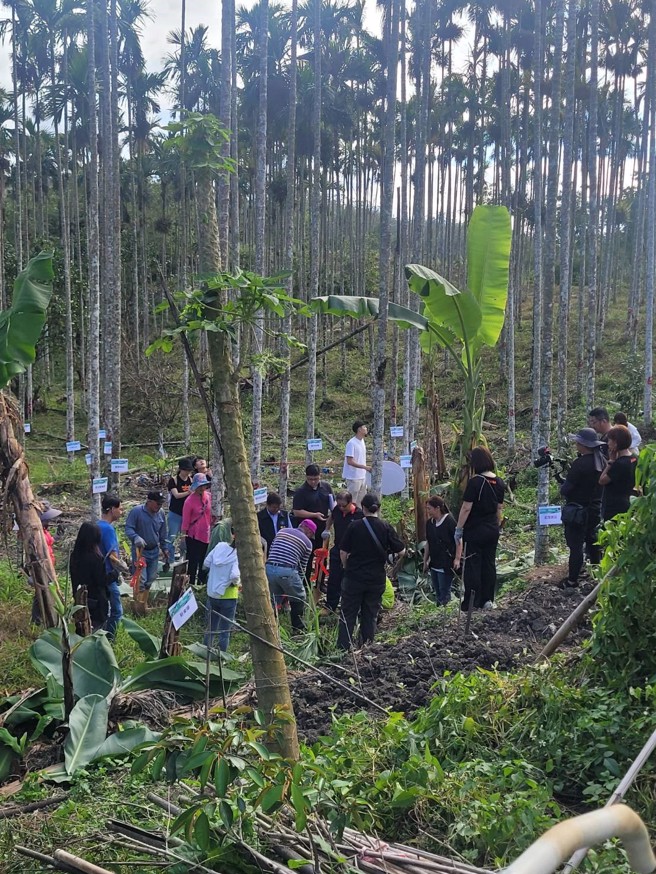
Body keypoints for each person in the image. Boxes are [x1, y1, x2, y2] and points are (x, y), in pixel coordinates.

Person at [337, 494, 405, 650]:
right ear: (378, 508)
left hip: (354, 577)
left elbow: (342, 552)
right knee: (370, 614)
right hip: (376, 578)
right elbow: (402, 551)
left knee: (348, 614)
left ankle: (344, 650)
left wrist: (347, 567)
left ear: (363, 507)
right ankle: (367, 648)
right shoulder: (386, 527)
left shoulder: (354, 526)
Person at [454, 447, 506, 611]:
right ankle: (488, 599)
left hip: (475, 530)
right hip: (492, 529)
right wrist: (497, 527)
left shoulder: (475, 482)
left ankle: (471, 601)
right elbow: (499, 509)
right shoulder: (499, 482)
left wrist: (459, 528)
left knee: (473, 564)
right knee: (489, 564)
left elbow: (466, 508)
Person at [558, 428, 605, 588]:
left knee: (576, 547)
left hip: (578, 512)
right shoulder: (602, 461)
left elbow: (566, 489)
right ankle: (597, 575)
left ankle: (572, 580)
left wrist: (563, 485)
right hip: (595, 509)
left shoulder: (580, 464)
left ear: (583, 445)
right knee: (593, 542)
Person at [265, 519, 317, 632]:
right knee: (299, 597)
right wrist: (297, 585)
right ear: (307, 529)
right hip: (287, 570)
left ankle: (269, 628)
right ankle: (297, 629)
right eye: (311, 534)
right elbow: (302, 568)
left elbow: (272, 550)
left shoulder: (281, 532)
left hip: (269, 567)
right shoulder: (308, 543)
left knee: (273, 599)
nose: (310, 537)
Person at [125, 491, 171, 604]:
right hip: (140, 552)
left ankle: (144, 601)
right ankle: (138, 604)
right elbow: (128, 528)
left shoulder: (160, 513)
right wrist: (136, 537)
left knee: (150, 579)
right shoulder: (137, 512)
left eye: (161, 504)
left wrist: (165, 549)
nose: (159, 506)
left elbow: (163, 533)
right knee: (141, 579)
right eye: (157, 504)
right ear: (149, 502)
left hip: (154, 551)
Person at [322, 490, 363, 612]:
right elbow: (331, 518)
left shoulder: (359, 515)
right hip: (338, 548)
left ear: (350, 502)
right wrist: (327, 529)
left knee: (350, 580)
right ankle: (330, 605)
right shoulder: (337, 510)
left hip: (352, 552)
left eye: (343, 506)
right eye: (339, 505)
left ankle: (348, 606)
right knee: (334, 578)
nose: (341, 508)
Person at [292, 464, 334, 578]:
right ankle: (305, 580)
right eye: (310, 479)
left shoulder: (326, 487)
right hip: (307, 530)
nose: (313, 482)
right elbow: (296, 511)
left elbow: (332, 505)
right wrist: (314, 515)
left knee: (323, 554)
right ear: (306, 477)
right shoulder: (301, 491)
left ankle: (320, 579)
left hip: (323, 527)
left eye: (316, 479)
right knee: (308, 555)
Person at [98, 494, 130, 640]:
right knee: (116, 611)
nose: (121, 511)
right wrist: (125, 570)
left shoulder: (97, 526)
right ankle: (110, 639)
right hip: (108, 575)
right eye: (119, 508)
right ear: (111, 509)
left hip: (98, 575)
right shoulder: (108, 530)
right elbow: (112, 557)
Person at [204, 528, 239, 653]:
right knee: (225, 630)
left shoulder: (220, 546)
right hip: (228, 596)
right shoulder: (238, 554)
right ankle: (222, 656)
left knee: (211, 627)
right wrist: (236, 583)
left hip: (212, 594)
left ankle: (205, 653)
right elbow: (235, 575)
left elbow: (207, 563)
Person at [69, 522, 110, 631]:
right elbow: (101, 581)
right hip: (97, 602)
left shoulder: (74, 556)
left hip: (80, 599)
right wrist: (115, 574)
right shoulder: (95, 558)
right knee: (97, 631)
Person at [30, 501, 63, 624]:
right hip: (42, 566)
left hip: (49, 565)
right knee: (41, 592)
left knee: (44, 592)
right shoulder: (36, 532)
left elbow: (49, 542)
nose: (49, 522)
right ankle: (37, 619)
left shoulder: (44, 530)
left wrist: (58, 537)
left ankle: (40, 618)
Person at [423, 496, 457, 606]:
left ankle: (445, 613)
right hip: (434, 563)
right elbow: (429, 541)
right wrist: (425, 560)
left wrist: (457, 558)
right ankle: (440, 610)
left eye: (429, 508)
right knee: (437, 591)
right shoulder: (430, 523)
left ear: (437, 508)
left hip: (446, 563)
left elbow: (459, 540)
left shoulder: (449, 521)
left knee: (444, 591)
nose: (428, 511)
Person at [599, 425, 638, 522]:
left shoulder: (619, 464)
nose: (608, 443)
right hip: (630, 502)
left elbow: (602, 480)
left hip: (615, 507)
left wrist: (611, 461)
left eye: (609, 440)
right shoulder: (634, 458)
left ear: (615, 442)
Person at [181, 473, 212, 586]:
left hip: (207, 534)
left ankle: (202, 585)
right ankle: (191, 585)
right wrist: (183, 537)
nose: (201, 488)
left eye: (203, 485)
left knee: (204, 562)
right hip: (193, 535)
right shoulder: (189, 501)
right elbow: (185, 521)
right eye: (199, 486)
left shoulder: (209, 497)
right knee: (193, 563)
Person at [167, 457, 195, 557]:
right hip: (175, 513)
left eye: (189, 470)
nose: (187, 472)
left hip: (187, 514)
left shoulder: (191, 480)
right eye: (185, 470)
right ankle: (169, 559)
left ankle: (183, 558)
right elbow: (176, 495)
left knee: (184, 537)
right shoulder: (173, 480)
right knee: (172, 537)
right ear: (181, 469)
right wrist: (188, 492)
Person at [342, 421, 371, 508]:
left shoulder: (362, 441)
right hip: (353, 476)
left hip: (362, 476)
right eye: (364, 427)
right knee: (352, 500)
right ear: (359, 429)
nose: (366, 429)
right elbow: (350, 461)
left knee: (361, 501)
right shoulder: (351, 443)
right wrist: (364, 467)